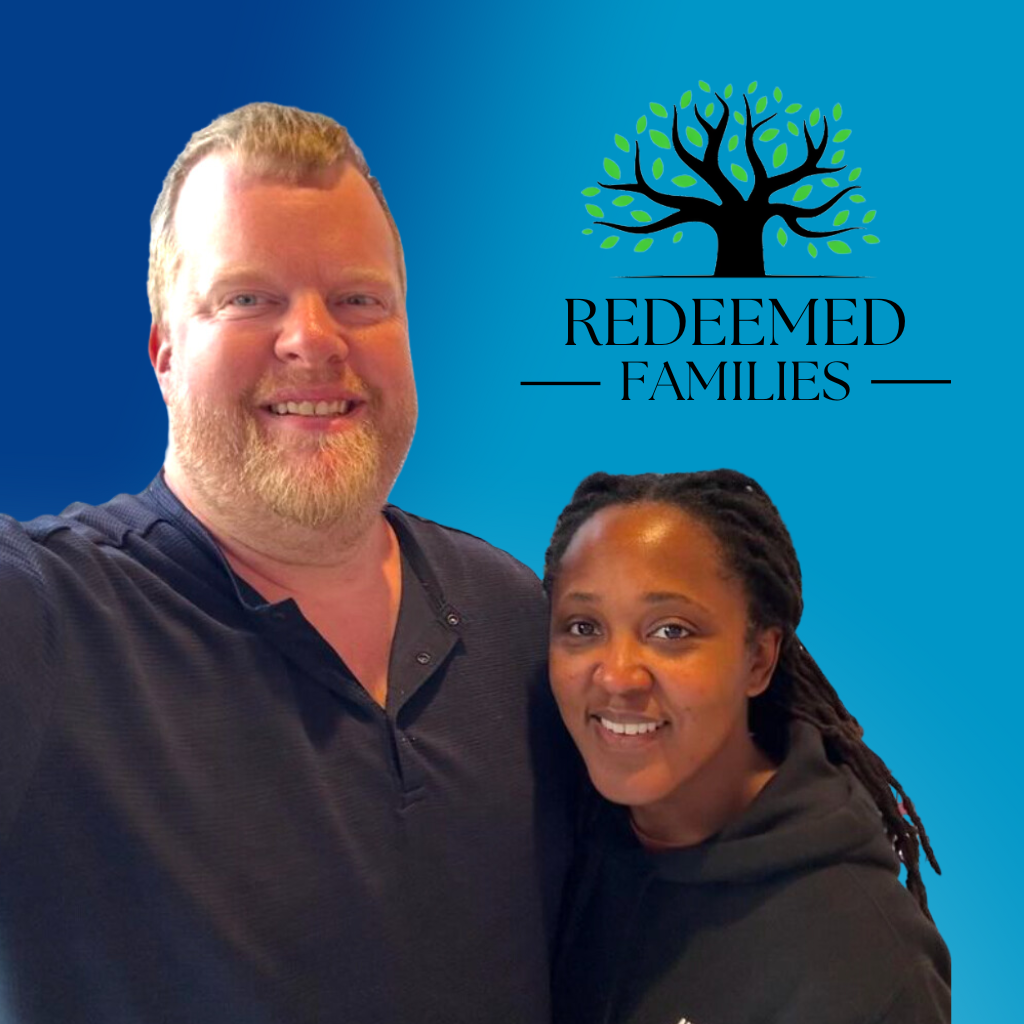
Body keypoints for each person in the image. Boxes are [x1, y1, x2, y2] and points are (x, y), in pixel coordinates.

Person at [0, 103, 575, 1024]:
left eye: (358, 300)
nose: (313, 339)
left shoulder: (512, 612)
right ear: (163, 351)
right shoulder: (49, 616)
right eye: (247, 299)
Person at [545, 469, 951, 1024]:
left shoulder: (863, 960)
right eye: (583, 627)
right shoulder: (553, 854)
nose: (617, 676)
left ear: (758, 657)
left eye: (671, 631)